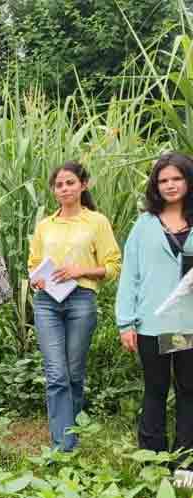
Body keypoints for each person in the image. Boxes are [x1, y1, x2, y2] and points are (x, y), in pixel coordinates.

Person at [28, 161, 121, 452]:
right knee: (56, 373)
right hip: (47, 302)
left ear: (83, 185)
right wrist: (36, 279)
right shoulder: (45, 225)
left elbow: (112, 266)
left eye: (70, 183)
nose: (64, 189)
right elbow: (33, 263)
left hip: (81, 299)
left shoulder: (97, 222)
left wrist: (80, 270)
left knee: (74, 373)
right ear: (53, 190)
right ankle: (63, 446)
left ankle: (71, 435)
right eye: (59, 185)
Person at [116, 152, 193, 469]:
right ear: (155, 186)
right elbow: (130, 275)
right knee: (156, 389)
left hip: (187, 325)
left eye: (177, 178)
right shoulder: (144, 225)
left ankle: (186, 463)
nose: (170, 185)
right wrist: (125, 322)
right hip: (152, 323)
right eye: (164, 180)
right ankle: (153, 462)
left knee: (189, 390)